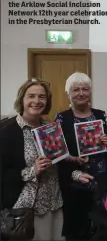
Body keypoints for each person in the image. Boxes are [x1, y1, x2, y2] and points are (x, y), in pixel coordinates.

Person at [54, 72, 107, 240]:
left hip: (101, 181)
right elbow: (56, 153)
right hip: (74, 182)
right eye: (76, 90)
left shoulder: (101, 115)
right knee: (76, 230)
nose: (81, 93)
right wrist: (71, 158)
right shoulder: (61, 118)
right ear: (68, 94)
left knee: (104, 228)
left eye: (85, 89)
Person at [0, 78, 63, 240]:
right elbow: (3, 173)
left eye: (42, 97)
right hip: (26, 209)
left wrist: (73, 163)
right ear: (22, 100)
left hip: (54, 204)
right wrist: (32, 171)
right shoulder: (7, 130)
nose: (36, 101)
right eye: (31, 96)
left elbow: (58, 162)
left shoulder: (50, 128)